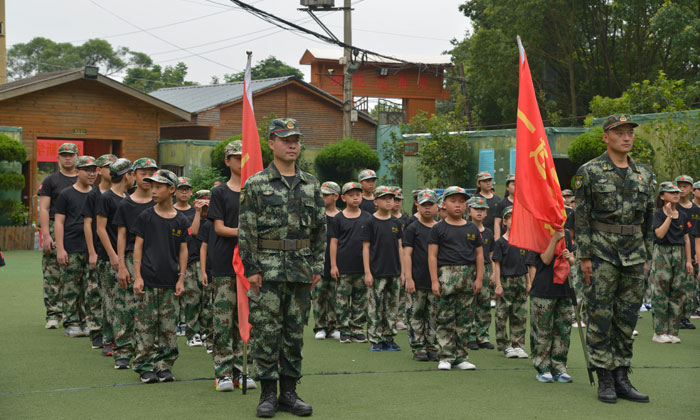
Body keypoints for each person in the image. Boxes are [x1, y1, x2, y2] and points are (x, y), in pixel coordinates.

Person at [239, 118, 325, 418]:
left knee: (294, 334)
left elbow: (319, 230)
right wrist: (251, 268)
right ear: (271, 143)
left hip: (301, 269)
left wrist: (318, 265)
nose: (292, 145)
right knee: (266, 332)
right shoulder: (257, 183)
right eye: (285, 139)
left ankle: (289, 393)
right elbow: (246, 230)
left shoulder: (311, 184)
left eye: (296, 139)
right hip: (267, 269)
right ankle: (267, 394)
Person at [575, 113, 653, 404]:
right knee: (600, 316)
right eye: (619, 132)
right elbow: (581, 217)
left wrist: (646, 253)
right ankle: (604, 376)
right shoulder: (589, 171)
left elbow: (647, 218)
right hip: (601, 251)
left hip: (634, 253)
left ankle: (622, 375)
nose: (626, 136)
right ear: (606, 137)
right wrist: (584, 256)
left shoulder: (644, 173)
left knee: (627, 317)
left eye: (629, 131)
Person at [132, 169, 189, 384]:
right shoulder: (146, 216)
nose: (153, 191)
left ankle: (164, 366)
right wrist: (137, 276)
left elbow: (183, 250)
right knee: (145, 326)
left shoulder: (181, 220)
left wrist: (181, 278)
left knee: (168, 328)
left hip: (170, 283)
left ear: (171, 189)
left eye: (158, 186)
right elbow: (138, 247)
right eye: (152, 186)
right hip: (148, 281)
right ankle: (145, 366)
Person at [207, 140, 254, 392]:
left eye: (243, 157)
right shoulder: (220, 193)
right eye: (236, 157)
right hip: (225, 264)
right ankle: (223, 371)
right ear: (227, 161)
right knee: (224, 319)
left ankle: (243, 369)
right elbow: (218, 227)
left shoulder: (254, 191)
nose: (240, 161)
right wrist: (244, 232)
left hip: (249, 265)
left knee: (246, 319)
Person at [428, 186, 483, 371]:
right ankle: (445, 355)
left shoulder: (471, 228)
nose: (458, 205)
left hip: (468, 275)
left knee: (465, 318)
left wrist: (479, 278)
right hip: (446, 274)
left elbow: (479, 255)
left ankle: (461, 356)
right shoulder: (438, 228)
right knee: (445, 316)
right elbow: (432, 256)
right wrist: (435, 280)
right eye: (453, 201)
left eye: (461, 202)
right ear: (443, 204)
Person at [113, 157, 157, 369]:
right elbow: (121, 235)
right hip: (131, 257)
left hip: (155, 259)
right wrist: (121, 264)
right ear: (134, 175)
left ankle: (148, 350)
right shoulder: (126, 203)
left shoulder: (160, 202)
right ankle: (123, 350)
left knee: (150, 308)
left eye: (152, 173)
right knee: (126, 305)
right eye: (143, 173)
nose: (147, 178)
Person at [96, 158, 134, 367]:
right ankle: (110, 341)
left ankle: (121, 339)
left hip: (124, 256)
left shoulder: (127, 197)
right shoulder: (107, 197)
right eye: (132, 173)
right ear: (127, 175)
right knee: (111, 300)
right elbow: (100, 228)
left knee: (122, 299)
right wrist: (112, 255)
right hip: (108, 256)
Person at [54, 155, 97, 339]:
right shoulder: (66, 194)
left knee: (91, 287)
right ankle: (72, 322)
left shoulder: (96, 193)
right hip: (71, 246)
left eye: (94, 170)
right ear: (77, 171)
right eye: (87, 170)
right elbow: (59, 222)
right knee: (71, 286)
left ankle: (88, 321)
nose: (91, 173)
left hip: (92, 249)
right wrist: (61, 248)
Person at [526, 230, 576, 383]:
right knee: (543, 331)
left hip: (564, 289)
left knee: (563, 330)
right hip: (543, 289)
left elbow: (572, 260)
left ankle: (559, 367)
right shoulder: (538, 233)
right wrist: (554, 240)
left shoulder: (566, 234)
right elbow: (546, 260)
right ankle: (543, 367)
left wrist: (569, 257)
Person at [360, 186, 405, 353]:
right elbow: (365, 248)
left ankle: (389, 337)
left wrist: (403, 272)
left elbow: (400, 247)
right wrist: (367, 272)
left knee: (392, 307)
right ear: (376, 201)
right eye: (384, 198)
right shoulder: (370, 222)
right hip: (376, 271)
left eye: (391, 198)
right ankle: (375, 338)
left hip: (394, 271)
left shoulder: (397, 222)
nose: (388, 201)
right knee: (375, 307)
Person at [38, 142, 78, 328]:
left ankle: (76, 314)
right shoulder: (50, 180)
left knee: (76, 272)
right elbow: (44, 209)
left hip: (77, 227)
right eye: (64, 155)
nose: (67, 158)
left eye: (71, 154)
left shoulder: (83, 179)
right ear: (58, 158)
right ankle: (53, 313)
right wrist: (46, 235)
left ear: (77, 156)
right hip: (55, 226)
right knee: (52, 272)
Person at [649, 182, 693, 344]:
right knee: (660, 292)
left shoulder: (682, 214)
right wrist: (668, 215)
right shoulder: (658, 214)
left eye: (677, 191)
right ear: (662, 196)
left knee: (677, 292)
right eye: (671, 192)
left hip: (679, 253)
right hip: (663, 253)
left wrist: (688, 260)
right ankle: (659, 331)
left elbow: (686, 238)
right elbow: (659, 234)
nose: (676, 193)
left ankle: (672, 331)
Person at [329, 182, 372, 344]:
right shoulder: (338, 218)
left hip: (362, 266)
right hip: (343, 266)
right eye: (351, 195)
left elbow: (371, 244)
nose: (355, 198)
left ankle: (357, 329)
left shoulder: (368, 217)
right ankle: (344, 329)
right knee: (342, 300)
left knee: (361, 300)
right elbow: (333, 242)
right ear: (343, 198)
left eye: (358, 195)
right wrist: (333, 265)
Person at [83, 154, 117, 353]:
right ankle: (96, 331)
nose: (112, 170)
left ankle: (114, 334)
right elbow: (88, 224)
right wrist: (92, 252)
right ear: (99, 170)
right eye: (108, 166)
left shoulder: (123, 194)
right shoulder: (93, 195)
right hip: (99, 250)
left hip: (118, 250)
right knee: (96, 292)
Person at [403, 189, 439, 361]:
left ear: (437, 207)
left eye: (431, 205)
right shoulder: (412, 228)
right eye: (424, 205)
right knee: (415, 314)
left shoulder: (440, 228)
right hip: (416, 279)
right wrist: (408, 277)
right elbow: (407, 254)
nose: (427, 208)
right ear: (417, 205)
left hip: (435, 280)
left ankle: (432, 346)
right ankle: (418, 348)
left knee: (433, 314)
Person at [174, 177, 208, 346]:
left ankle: (203, 331)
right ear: (174, 191)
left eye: (187, 189)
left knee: (204, 296)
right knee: (191, 298)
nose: (185, 192)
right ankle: (191, 331)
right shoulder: (173, 211)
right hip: (182, 260)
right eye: (181, 189)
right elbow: (192, 232)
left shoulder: (199, 210)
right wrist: (197, 213)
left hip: (199, 258)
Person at [492, 207, 530, 359]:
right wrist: (498, 284)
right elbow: (497, 264)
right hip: (506, 280)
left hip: (520, 280)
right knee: (502, 314)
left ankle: (518, 345)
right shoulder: (501, 242)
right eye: (511, 218)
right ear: (504, 222)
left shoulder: (523, 241)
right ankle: (505, 345)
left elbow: (526, 264)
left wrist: (528, 283)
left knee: (520, 315)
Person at [312, 181, 340, 340]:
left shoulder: (342, 216)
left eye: (326, 195)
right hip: (319, 261)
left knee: (335, 296)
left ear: (336, 196)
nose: (323, 198)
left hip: (336, 261)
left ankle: (333, 326)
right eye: (321, 195)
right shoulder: (316, 215)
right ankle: (320, 327)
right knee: (319, 295)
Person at [467, 196, 495, 350]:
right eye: (476, 209)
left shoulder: (489, 233)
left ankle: (482, 336)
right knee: (470, 303)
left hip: (485, 269)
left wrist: (493, 272)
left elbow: (491, 254)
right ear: (469, 211)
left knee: (484, 303)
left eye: (482, 209)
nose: (479, 212)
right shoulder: (465, 229)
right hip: (469, 269)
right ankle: (470, 336)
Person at [674, 175, 698, 330]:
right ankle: (674, 316)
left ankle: (685, 317)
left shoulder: (696, 210)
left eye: (685, 186)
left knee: (690, 285)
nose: (682, 189)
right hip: (676, 250)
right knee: (676, 284)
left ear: (691, 189)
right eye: (679, 185)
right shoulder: (672, 206)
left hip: (694, 252)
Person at [195, 189, 214, 353]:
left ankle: (213, 338)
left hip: (219, 268)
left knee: (214, 306)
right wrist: (203, 271)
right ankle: (206, 336)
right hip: (203, 267)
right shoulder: (205, 223)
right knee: (203, 304)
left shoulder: (216, 221)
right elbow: (203, 248)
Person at [493, 174, 515, 240]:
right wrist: (497, 238)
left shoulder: (524, 203)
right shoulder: (502, 203)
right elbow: (497, 222)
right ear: (507, 187)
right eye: (513, 184)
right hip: (506, 238)